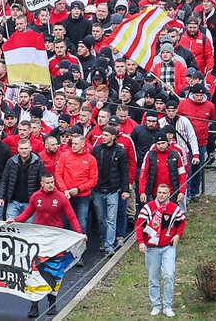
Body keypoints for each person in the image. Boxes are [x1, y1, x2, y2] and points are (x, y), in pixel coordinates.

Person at [16, 173, 84, 318]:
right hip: (39, 240)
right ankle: (34, 305)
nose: (50, 185)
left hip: (56, 241)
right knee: (34, 272)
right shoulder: (35, 197)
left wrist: (79, 233)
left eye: (52, 182)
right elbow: (27, 214)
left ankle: (52, 303)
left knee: (54, 272)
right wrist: (13, 221)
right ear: (42, 183)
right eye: (47, 183)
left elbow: (72, 216)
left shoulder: (60, 197)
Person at [136, 183, 186, 317]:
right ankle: (156, 305)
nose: (161, 195)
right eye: (159, 192)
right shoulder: (148, 207)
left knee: (169, 275)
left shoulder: (174, 208)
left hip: (168, 247)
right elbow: (139, 225)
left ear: (169, 194)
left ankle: (167, 306)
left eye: (164, 193)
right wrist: (141, 242)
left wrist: (177, 235)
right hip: (151, 248)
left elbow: (182, 222)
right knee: (153, 278)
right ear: (156, 193)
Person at [90, 126, 129, 254]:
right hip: (98, 189)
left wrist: (125, 189)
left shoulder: (120, 151)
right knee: (101, 218)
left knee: (111, 219)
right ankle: (103, 240)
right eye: (103, 135)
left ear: (113, 136)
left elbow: (124, 172)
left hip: (113, 190)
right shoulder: (96, 150)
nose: (103, 137)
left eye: (106, 135)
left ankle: (109, 245)